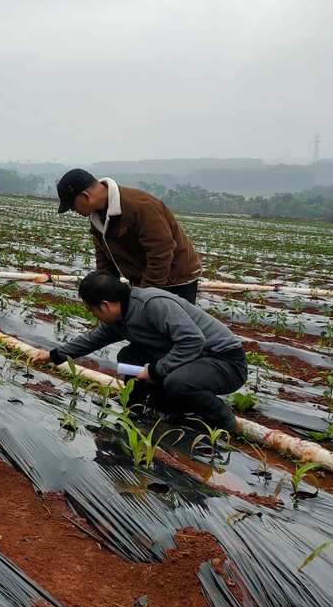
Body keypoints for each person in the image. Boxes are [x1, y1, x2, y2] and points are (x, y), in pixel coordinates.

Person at [33, 271, 246, 431]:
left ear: (105, 305)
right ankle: (149, 408)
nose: (93, 315)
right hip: (194, 359)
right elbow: (92, 339)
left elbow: (192, 341)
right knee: (129, 358)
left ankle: (226, 422)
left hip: (224, 361)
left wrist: (154, 371)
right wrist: (54, 355)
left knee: (177, 382)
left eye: (92, 309)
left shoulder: (152, 304)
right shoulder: (120, 316)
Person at [56, 168, 202, 303]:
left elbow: (161, 252)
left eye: (72, 206)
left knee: (171, 327)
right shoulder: (97, 216)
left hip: (176, 278)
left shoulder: (140, 206)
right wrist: (104, 286)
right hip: (142, 277)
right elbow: (103, 253)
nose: (73, 211)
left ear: (85, 196)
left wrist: (144, 295)